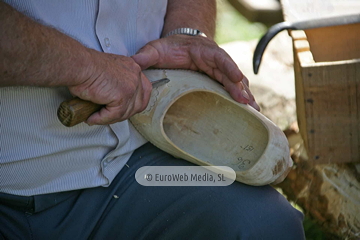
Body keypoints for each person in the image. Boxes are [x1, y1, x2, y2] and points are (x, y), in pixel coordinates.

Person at [0, 0, 305, 239]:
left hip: (141, 167)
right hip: (10, 191)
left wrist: (187, 31)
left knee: (265, 226)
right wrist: (85, 68)